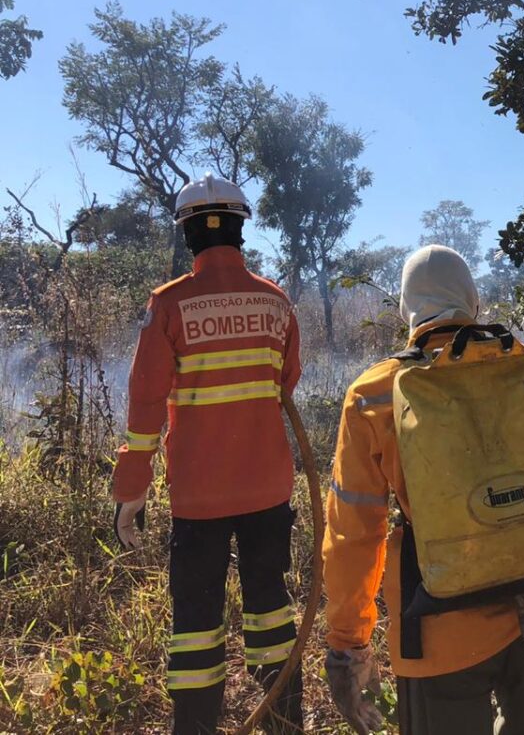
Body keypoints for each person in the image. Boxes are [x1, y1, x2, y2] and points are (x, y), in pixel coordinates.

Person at [321, 244, 524, 735]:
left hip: (440, 628)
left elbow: (355, 531)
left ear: (407, 310)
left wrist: (349, 643)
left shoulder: (374, 394)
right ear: (473, 301)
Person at [111, 172, 304, 735]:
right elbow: (284, 384)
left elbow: (145, 403)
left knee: (196, 620)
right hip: (269, 488)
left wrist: (131, 491)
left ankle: (195, 726)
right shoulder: (276, 301)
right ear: (240, 229)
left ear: (188, 234)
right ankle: (284, 720)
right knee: (271, 607)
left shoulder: (168, 305)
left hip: (198, 496)